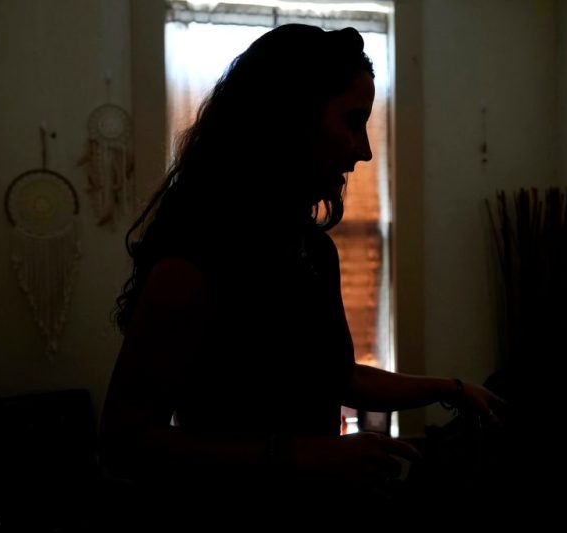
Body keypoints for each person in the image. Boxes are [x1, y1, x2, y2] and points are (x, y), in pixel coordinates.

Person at [99, 23, 504, 526]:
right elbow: (124, 441)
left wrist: (450, 388)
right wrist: (300, 455)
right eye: (352, 122)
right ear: (288, 120)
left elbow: (340, 378)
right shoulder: (192, 263)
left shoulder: (311, 248)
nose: (365, 150)